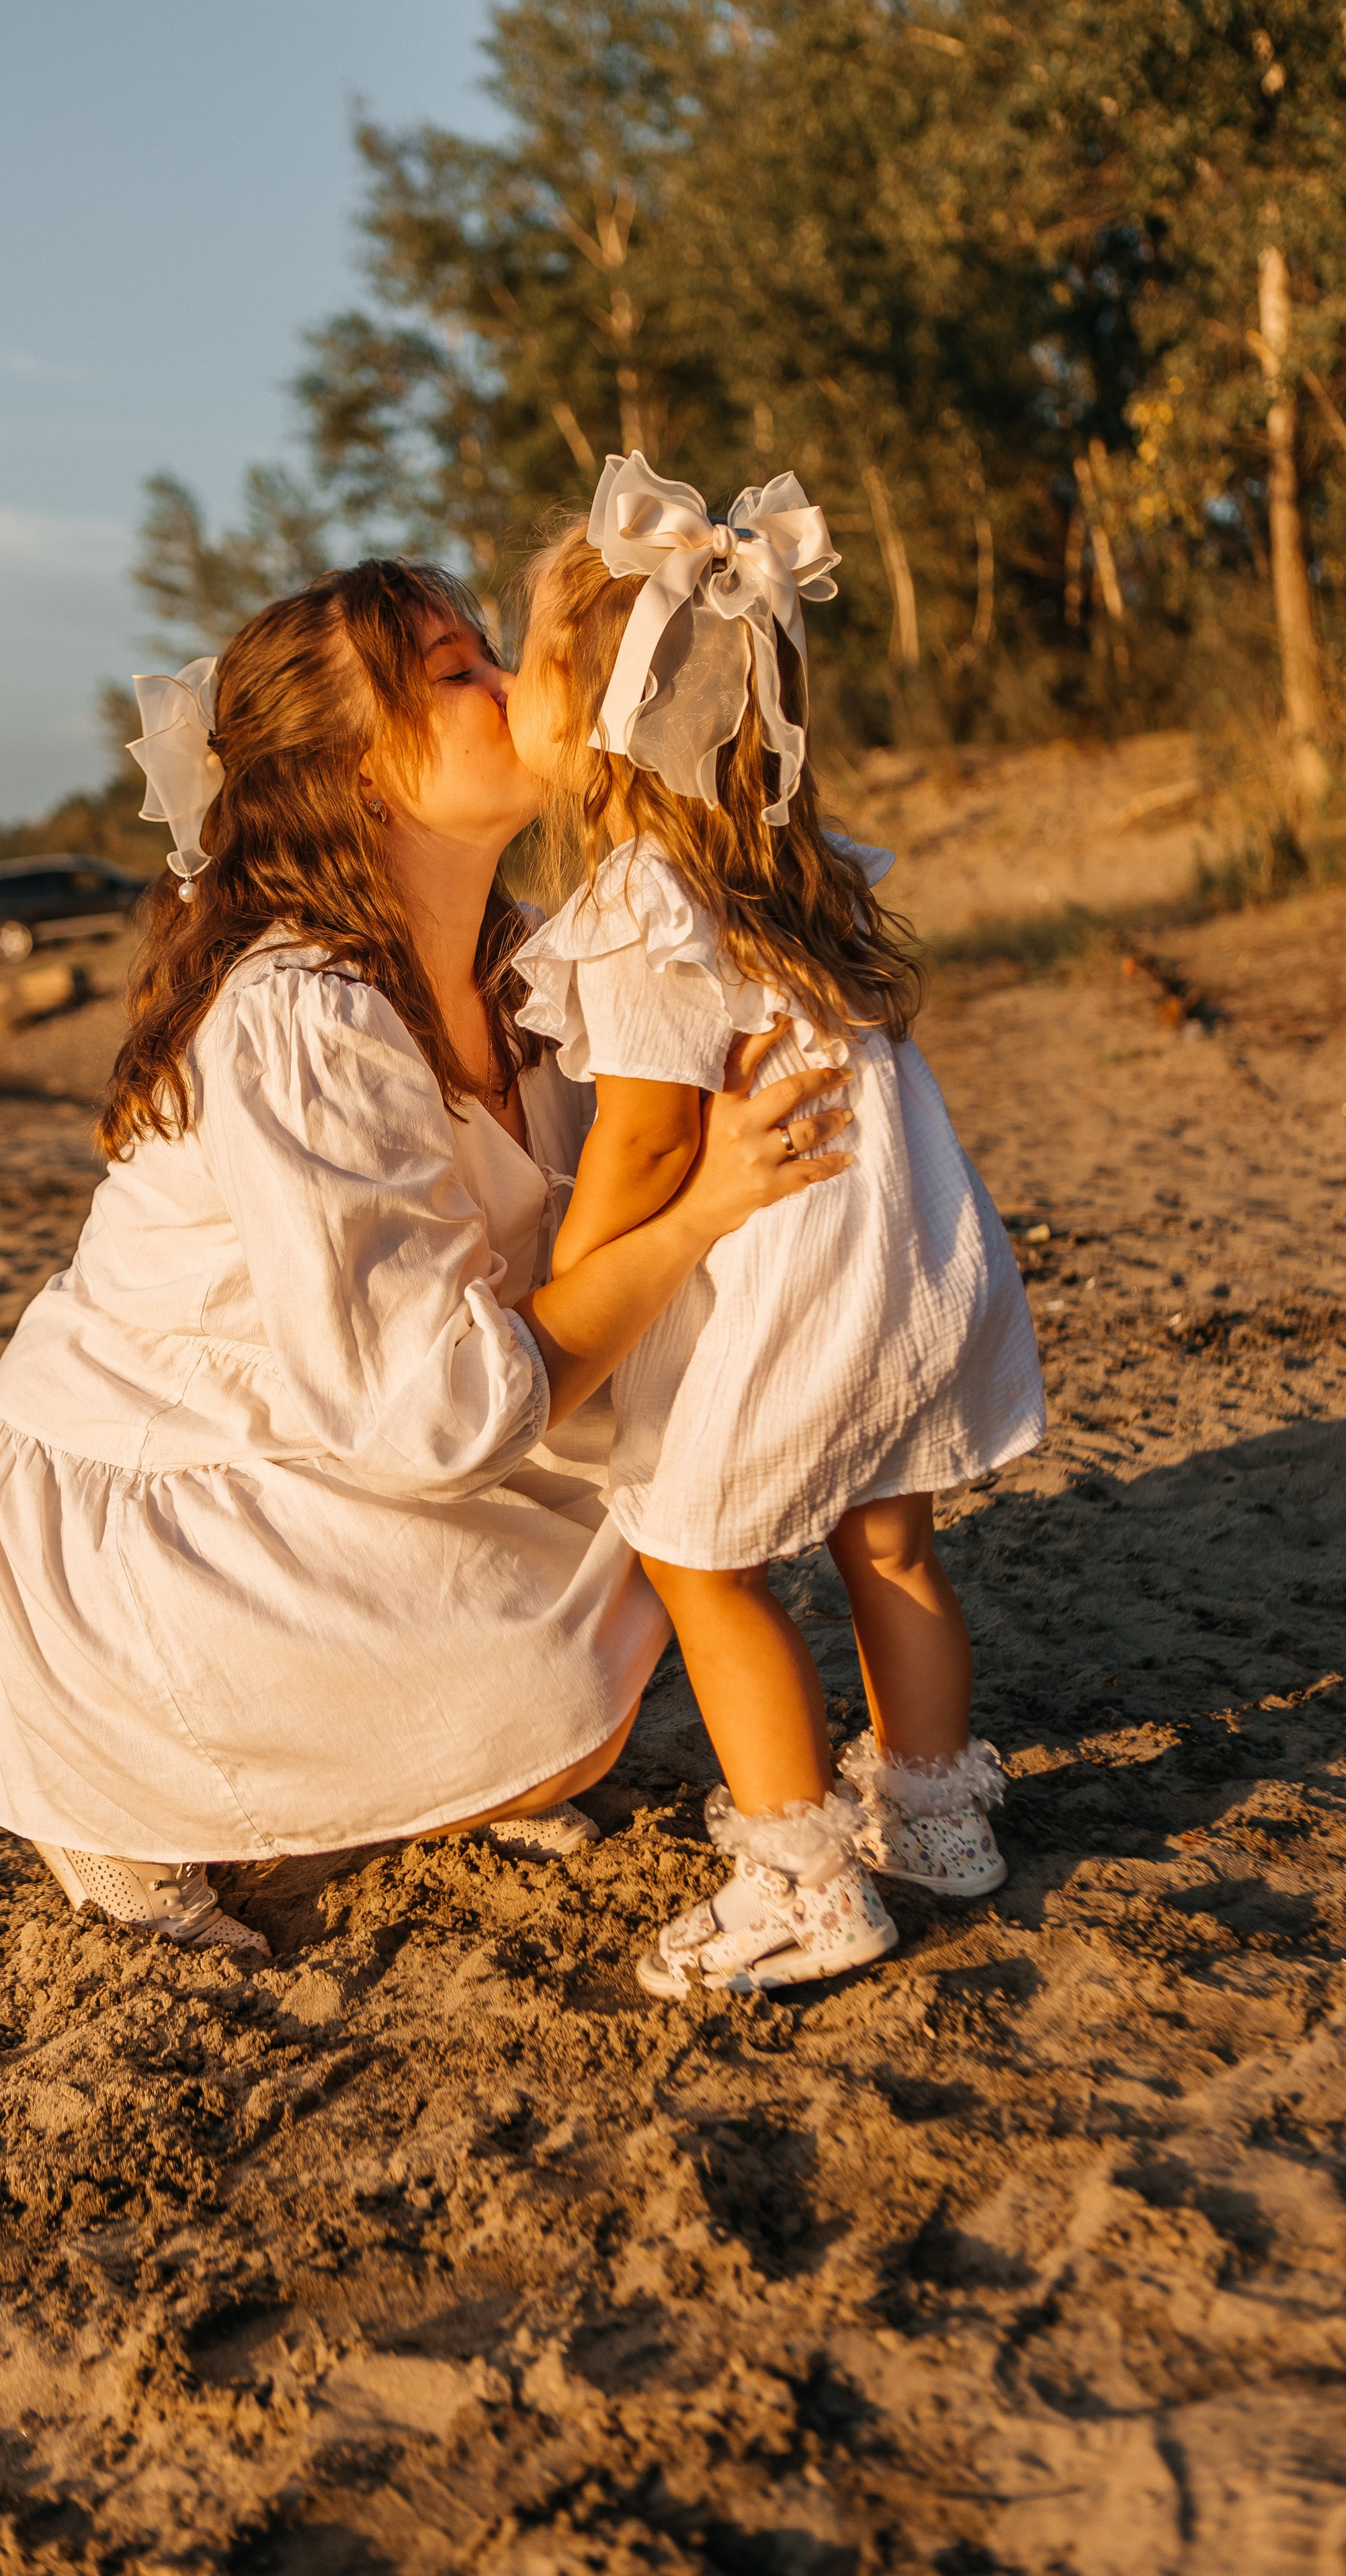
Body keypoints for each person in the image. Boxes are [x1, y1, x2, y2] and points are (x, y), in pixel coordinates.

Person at [0, 559, 851, 1958]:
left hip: (348, 1427)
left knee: (673, 1547)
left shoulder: (523, 961)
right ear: (356, 773)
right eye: (456, 674)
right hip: (160, 1506)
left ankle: (379, 1765)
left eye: (493, 653)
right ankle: (132, 1802)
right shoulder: (302, 1013)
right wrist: (698, 1213)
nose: (512, 687)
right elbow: (435, 1416)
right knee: (566, 1690)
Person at [505, 454, 1046, 1999]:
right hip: (908, 1270)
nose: (515, 687)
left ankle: (801, 1884)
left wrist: (575, 1291)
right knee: (890, 1540)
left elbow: (642, 1139)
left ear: (602, 711)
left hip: (785, 1289)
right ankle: (933, 1815)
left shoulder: (641, 907)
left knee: (699, 1565)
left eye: (532, 661)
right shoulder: (802, 875)